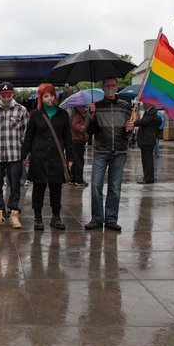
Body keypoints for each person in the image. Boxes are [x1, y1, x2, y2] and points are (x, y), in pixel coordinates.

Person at [84, 77, 134, 232]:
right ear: (102, 88)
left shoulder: (125, 106)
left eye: (112, 85)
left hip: (119, 152)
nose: (110, 88)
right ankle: (97, 218)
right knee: (96, 185)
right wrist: (91, 116)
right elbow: (89, 130)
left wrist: (130, 128)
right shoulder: (96, 106)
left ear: (117, 87)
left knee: (115, 187)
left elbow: (129, 132)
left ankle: (111, 219)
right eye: (107, 86)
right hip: (101, 150)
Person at [22, 83, 72, 231]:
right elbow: (29, 136)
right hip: (39, 156)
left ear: (55, 96)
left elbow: (67, 138)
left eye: (51, 95)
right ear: (41, 98)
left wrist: (70, 158)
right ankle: (38, 217)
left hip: (57, 157)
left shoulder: (63, 115)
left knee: (56, 188)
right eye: (45, 96)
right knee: (38, 188)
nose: (49, 98)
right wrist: (24, 155)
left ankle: (56, 216)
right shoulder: (36, 114)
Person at [0, 82, 29, 229]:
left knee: (15, 185)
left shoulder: (21, 110)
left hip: (15, 154)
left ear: (13, 94)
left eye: (9, 95)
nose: (6, 98)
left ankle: (14, 214)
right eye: (3, 95)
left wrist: (26, 153)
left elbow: (25, 133)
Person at [134, 103, 161, 184]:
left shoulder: (151, 112)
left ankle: (148, 178)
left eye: (144, 103)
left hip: (147, 139)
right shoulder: (150, 112)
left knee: (147, 160)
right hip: (146, 139)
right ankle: (147, 177)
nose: (143, 104)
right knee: (146, 159)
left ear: (148, 103)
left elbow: (143, 122)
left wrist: (132, 122)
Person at [70, 105, 89, 186]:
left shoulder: (78, 115)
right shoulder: (76, 116)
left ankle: (74, 178)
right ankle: (78, 179)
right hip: (77, 141)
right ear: (77, 107)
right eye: (82, 107)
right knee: (79, 161)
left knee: (76, 160)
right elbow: (77, 127)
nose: (84, 108)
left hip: (76, 141)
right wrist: (85, 127)